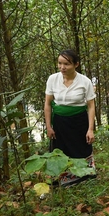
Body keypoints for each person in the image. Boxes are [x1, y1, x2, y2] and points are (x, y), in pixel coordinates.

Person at [44, 49, 97, 186]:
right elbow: (48, 104)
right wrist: (49, 126)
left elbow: (91, 106)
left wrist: (90, 129)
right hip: (60, 122)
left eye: (66, 64)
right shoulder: (52, 79)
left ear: (76, 64)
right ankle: (62, 179)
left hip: (79, 121)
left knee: (80, 148)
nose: (62, 67)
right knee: (60, 150)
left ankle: (82, 177)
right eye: (60, 63)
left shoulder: (85, 82)